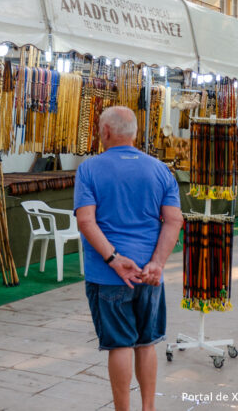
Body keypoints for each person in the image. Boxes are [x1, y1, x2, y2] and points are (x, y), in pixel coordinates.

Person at [74, 106, 183, 411]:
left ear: (106, 131)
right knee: (146, 343)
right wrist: (157, 264)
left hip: (108, 276)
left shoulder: (89, 169)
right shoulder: (160, 170)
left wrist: (114, 259)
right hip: (149, 275)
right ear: (134, 133)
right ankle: (148, 408)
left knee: (119, 344)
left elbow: (86, 221)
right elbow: (174, 220)